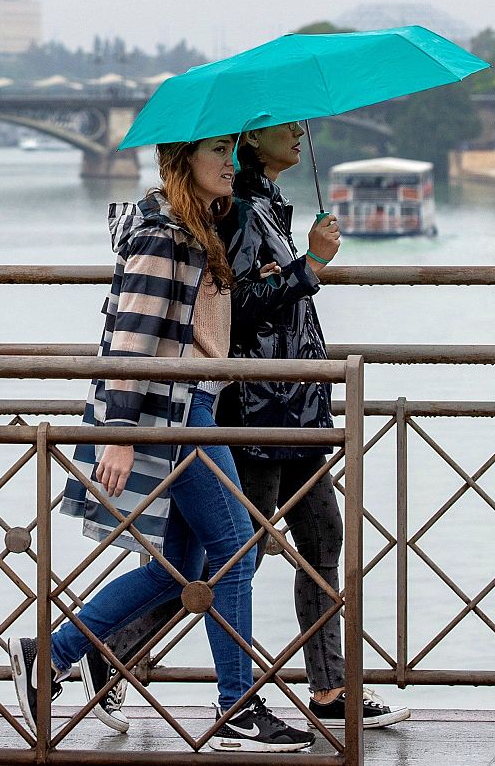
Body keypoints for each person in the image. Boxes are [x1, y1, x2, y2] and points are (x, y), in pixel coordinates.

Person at [79, 122, 409, 734]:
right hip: (251, 408)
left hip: (290, 402)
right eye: (287, 126)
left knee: (312, 540)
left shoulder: (252, 209)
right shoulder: (228, 215)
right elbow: (215, 311)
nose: (300, 134)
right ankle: (141, 665)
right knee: (233, 556)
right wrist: (310, 264)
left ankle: (326, 687)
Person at [9, 135, 315, 753]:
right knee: (234, 554)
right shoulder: (164, 233)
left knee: (180, 568)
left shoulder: (196, 225)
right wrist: (122, 432)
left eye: (232, 153)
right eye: (218, 155)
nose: (231, 165)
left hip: (190, 403)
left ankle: (51, 655)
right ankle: (237, 707)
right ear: (183, 164)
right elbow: (132, 333)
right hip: (175, 412)